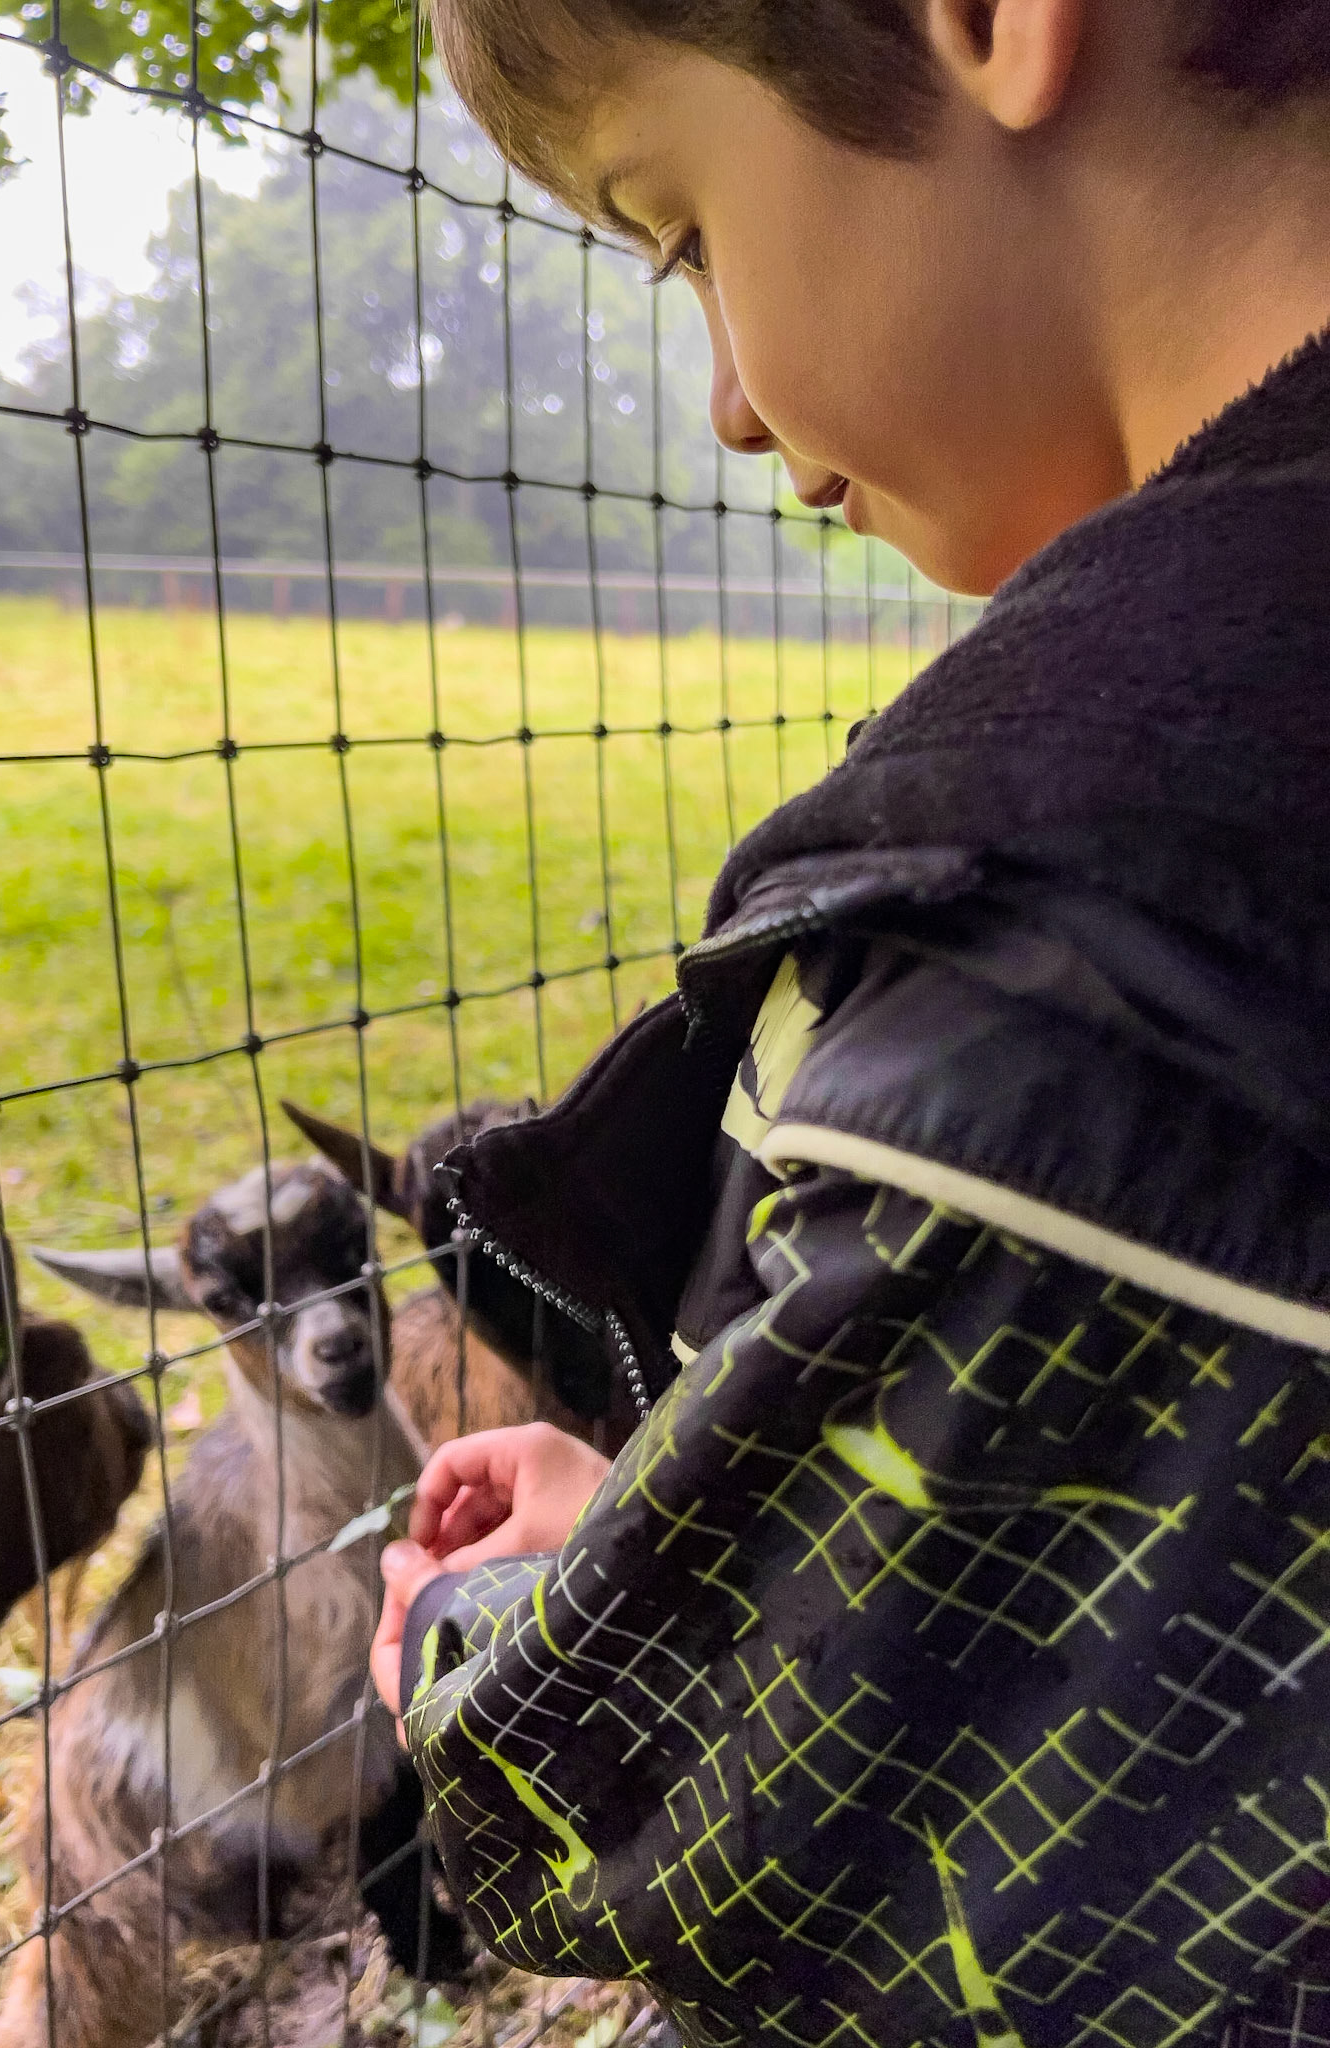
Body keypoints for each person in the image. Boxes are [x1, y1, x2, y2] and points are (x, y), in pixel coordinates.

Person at [371, 4, 1330, 2043]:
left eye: (685, 227)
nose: (726, 403)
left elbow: (771, 1837)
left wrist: (501, 1635)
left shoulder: (1065, 933)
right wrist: (701, 1512)